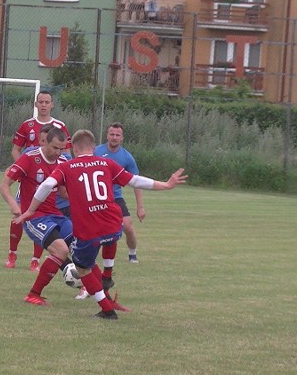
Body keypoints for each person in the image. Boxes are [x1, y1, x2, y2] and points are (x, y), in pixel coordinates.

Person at [15, 129, 186, 320]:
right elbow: (135, 180)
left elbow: (47, 186)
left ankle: (106, 309)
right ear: (94, 148)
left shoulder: (67, 166)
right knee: (90, 257)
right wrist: (166, 184)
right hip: (113, 225)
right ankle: (107, 280)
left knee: (82, 266)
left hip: (89, 228)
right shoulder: (107, 163)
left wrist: (29, 210)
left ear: (74, 149)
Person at [0, 127, 74, 307]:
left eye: (62, 149)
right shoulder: (29, 158)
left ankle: (95, 290)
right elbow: (4, 185)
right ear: (45, 142)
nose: (58, 153)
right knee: (61, 250)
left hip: (55, 214)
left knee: (81, 245)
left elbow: (64, 193)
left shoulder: (63, 161)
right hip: (34, 217)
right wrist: (14, 205)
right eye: (55, 148)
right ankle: (33, 294)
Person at [76, 122, 143, 300]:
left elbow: (136, 181)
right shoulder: (96, 151)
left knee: (127, 226)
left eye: (117, 135)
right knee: (94, 235)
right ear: (107, 135)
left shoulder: (127, 157)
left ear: (122, 137)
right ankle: (90, 280)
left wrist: (140, 206)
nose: (114, 137)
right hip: (95, 199)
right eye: (111, 134)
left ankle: (132, 253)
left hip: (115, 197)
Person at [6, 90, 71, 271]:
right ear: (36, 104)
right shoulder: (27, 125)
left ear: (52, 105)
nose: (43, 105)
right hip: (30, 178)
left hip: (52, 180)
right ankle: (12, 253)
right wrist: (23, 169)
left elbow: (67, 153)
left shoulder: (60, 126)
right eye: (40, 102)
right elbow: (16, 150)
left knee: (46, 218)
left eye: (46, 102)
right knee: (19, 215)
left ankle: (36, 259)